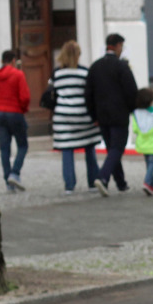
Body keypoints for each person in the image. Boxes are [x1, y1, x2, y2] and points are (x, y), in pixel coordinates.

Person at [84, 33, 139, 196]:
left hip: (102, 115)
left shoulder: (95, 66)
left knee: (112, 150)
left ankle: (121, 183)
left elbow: (88, 93)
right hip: (119, 114)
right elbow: (131, 91)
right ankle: (102, 177)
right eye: (121, 46)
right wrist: (131, 109)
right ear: (117, 46)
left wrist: (93, 115)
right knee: (117, 148)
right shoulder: (121, 67)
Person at [50, 40, 102, 194]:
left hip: (63, 116)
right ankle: (93, 182)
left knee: (67, 150)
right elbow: (91, 94)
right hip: (83, 115)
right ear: (78, 55)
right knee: (89, 148)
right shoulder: (85, 72)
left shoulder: (56, 74)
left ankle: (69, 185)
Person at [0, 49, 31, 192]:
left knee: (4, 148)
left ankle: (8, 182)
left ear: (1, 61)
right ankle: (14, 173)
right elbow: (25, 97)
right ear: (13, 61)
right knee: (23, 145)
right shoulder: (18, 74)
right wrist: (23, 109)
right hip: (15, 112)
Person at [130, 88, 153, 196]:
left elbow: (135, 129)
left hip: (142, 142)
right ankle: (147, 182)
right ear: (151, 100)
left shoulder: (135, 113)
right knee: (152, 164)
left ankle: (152, 186)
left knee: (148, 164)